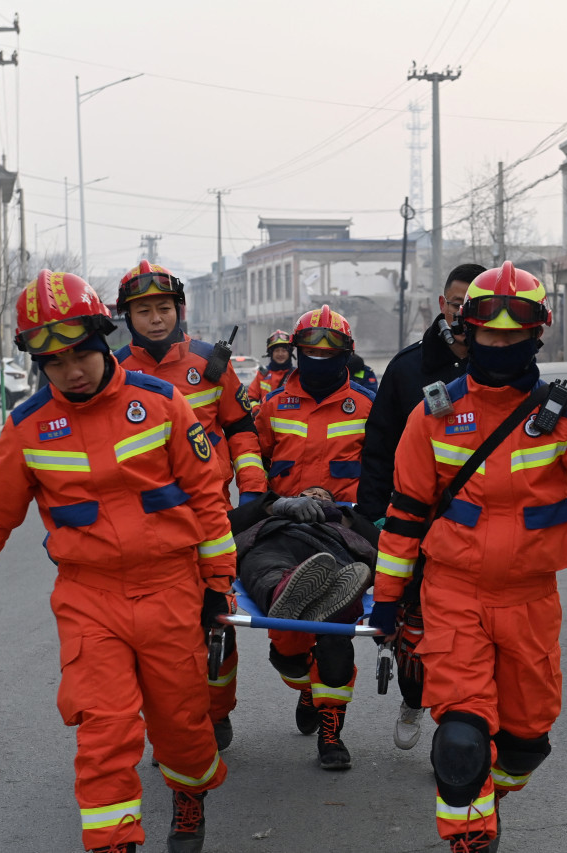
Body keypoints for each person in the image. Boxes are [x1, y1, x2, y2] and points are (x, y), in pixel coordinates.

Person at [367, 261, 567, 853]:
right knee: (460, 740)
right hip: (454, 596)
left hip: (529, 602)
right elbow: (403, 519)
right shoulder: (434, 416)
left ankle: (486, 796)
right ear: (469, 331)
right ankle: (470, 835)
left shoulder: (564, 418)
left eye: (513, 334)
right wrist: (386, 600)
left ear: (536, 335)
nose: (500, 344)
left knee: (527, 740)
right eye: (489, 333)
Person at [0, 270, 235, 853]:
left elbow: (207, 498)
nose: (71, 370)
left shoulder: (162, 403)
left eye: (81, 355)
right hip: (89, 597)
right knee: (104, 730)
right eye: (55, 363)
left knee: (183, 728)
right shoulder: (26, 430)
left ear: (102, 340)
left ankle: (190, 792)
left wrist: (217, 584)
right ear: (38, 365)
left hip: (171, 589)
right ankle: (113, 843)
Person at [113, 259, 264, 751]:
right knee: (158, 637)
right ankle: (175, 729)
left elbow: (242, 429)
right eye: (143, 311)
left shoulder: (210, 365)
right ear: (127, 318)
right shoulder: (112, 372)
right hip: (143, 529)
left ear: (179, 310)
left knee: (216, 619)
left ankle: (216, 713)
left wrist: (255, 490)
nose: (155, 319)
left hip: (210, 519)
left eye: (163, 308)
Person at [357, 261, 485, 751]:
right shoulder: (408, 369)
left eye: (473, 307)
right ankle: (413, 698)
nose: (463, 315)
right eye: (457, 304)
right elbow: (379, 445)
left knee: (464, 637)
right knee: (412, 631)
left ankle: (459, 737)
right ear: (443, 305)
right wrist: (372, 514)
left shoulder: (500, 371)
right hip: (412, 523)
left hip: (475, 535)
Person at [252, 304, 375, 771]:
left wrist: (347, 507)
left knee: (336, 627)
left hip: (341, 529)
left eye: (331, 351)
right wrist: (269, 505)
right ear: (297, 353)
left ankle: (332, 731)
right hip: (282, 523)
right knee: (286, 642)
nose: (320, 359)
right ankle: (304, 685)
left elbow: (384, 476)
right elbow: (252, 469)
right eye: (310, 351)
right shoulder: (272, 406)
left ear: (347, 354)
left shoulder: (366, 406)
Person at [229, 487, 377, 623]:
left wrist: (346, 518)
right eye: (311, 491)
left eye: (325, 496)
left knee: (345, 575)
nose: (318, 495)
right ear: (297, 496)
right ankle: (283, 594)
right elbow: (229, 523)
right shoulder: (275, 506)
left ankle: (323, 602)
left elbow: (380, 543)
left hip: (334, 548)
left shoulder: (345, 516)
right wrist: (274, 507)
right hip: (274, 540)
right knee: (266, 567)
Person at [247, 329, 294, 402]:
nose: (280, 354)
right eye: (277, 350)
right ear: (271, 353)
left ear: (289, 353)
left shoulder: (296, 375)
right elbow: (251, 397)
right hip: (266, 413)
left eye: (284, 350)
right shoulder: (263, 375)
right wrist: (257, 411)